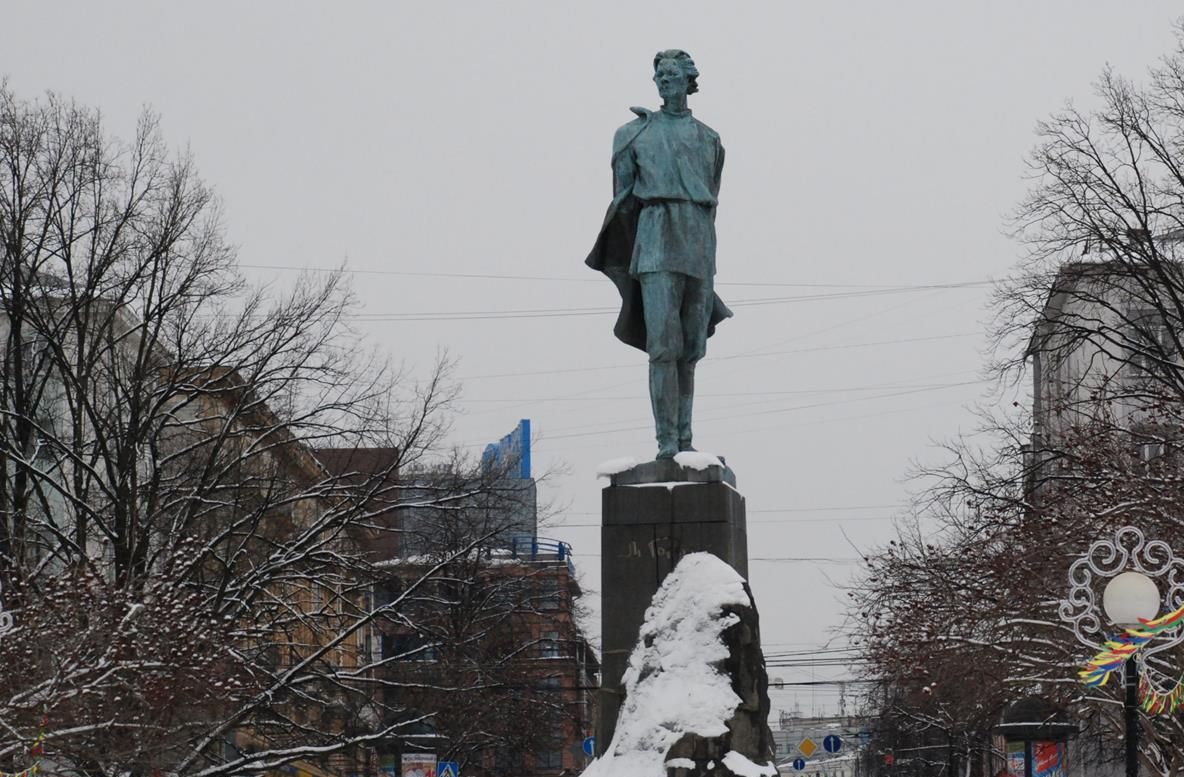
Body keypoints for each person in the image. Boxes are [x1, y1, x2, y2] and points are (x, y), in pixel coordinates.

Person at [585, 49, 731, 459]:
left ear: (689, 80)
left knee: (691, 349)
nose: (664, 80)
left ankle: (686, 442)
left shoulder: (710, 138)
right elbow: (622, 199)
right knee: (663, 346)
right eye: (659, 75)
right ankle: (667, 443)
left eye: (672, 74)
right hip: (654, 238)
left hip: (698, 239)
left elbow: (713, 196)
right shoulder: (632, 133)